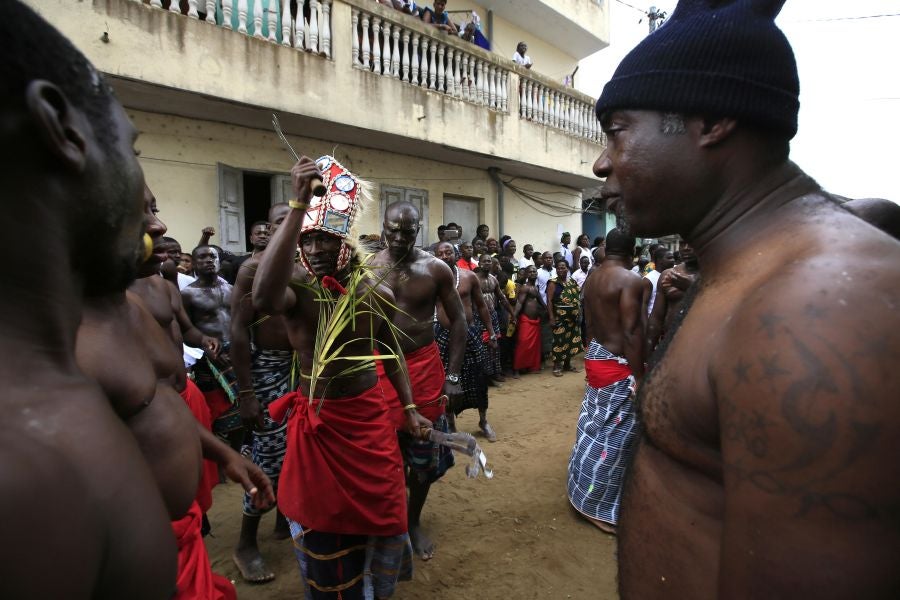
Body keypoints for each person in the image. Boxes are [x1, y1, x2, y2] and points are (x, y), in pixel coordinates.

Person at [594, 0, 900, 596]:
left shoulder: (814, 314)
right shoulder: (742, 268)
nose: (604, 161)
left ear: (710, 120)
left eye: (618, 130)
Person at [0, 4, 179, 595]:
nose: (150, 214)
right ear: (64, 129)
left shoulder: (45, 396)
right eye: (131, 147)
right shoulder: (22, 474)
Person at [81, 185, 274, 600]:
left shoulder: (126, 306)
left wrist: (223, 453)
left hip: (179, 541)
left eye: (154, 208)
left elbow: (157, 398)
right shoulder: (54, 335)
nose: (160, 226)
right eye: (137, 213)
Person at [253, 155, 430, 599]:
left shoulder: (376, 292)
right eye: (306, 242)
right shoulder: (298, 290)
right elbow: (263, 296)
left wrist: (408, 409)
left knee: (385, 511)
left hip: (368, 421)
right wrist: (297, 207)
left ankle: (374, 587)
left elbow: (391, 356)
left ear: (345, 243)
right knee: (322, 521)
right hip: (321, 424)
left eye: (325, 241)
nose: (314, 251)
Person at [371, 201, 467, 561]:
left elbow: (458, 320)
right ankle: (389, 522)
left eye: (407, 231)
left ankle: (413, 521)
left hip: (424, 369)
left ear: (419, 230)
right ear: (383, 227)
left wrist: (453, 376)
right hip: (378, 368)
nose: (398, 237)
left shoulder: (435, 269)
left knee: (424, 458)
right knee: (382, 454)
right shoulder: (366, 268)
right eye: (392, 229)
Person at [229, 203, 294, 584]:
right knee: (269, 456)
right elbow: (238, 331)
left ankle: (286, 518)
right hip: (266, 368)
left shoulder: (309, 267)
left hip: (303, 368)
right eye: (280, 223)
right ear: (268, 230)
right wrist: (247, 393)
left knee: (300, 446)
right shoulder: (253, 270)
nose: (289, 229)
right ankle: (246, 542)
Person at [567, 228, 646, 535]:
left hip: (597, 354)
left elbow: (588, 318)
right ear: (632, 252)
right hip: (616, 362)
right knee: (614, 436)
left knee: (595, 425)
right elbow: (631, 332)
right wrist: (640, 376)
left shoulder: (593, 277)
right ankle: (594, 505)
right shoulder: (631, 280)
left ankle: (582, 491)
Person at [434, 242, 498, 441]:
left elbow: (481, 306)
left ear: (456, 254)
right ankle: (451, 425)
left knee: (479, 378)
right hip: (444, 335)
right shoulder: (431, 279)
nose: (445, 256)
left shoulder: (469, 277)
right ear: (435, 256)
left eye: (448, 252)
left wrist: (491, 332)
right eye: (440, 253)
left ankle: (483, 421)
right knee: (447, 380)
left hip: (470, 334)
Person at [182, 245, 242, 445]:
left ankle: (237, 454)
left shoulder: (231, 289)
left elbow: (239, 323)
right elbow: (185, 331)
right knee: (216, 410)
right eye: (203, 257)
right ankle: (220, 463)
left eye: (212, 256)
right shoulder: (188, 294)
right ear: (194, 263)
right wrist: (207, 350)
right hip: (208, 359)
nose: (209, 260)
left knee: (241, 409)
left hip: (235, 354)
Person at [646, 243, 699, 356]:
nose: (686, 248)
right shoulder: (668, 274)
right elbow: (656, 317)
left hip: (701, 344)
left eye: (691, 243)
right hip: (670, 344)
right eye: (682, 244)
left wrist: (693, 287)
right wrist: (648, 351)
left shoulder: (716, 273)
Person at [475, 253, 514, 385]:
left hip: (493, 315)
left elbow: (502, 298)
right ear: (479, 263)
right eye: (484, 261)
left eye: (489, 261)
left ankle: (495, 373)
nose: (487, 263)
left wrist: (512, 313)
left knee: (495, 345)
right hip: (477, 317)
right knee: (482, 347)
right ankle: (485, 376)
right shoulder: (473, 279)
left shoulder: (493, 279)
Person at [546, 258, 582, 376]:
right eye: (558, 268)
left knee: (571, 341)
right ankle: (557, 366)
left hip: (573, 319)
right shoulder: (553, 283)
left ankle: (567, 364)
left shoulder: (572, 282)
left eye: (563, 267)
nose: (560, 270)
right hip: (559, 318)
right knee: (559, 341)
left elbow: (577, 297)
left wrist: (578, 313)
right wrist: (551, 317)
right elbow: (549, 301)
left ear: (568, 268)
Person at [512, 265, 545, 376]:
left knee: (533, 346)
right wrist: (514, 316)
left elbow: (542, 303)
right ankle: (516, 369)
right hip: (526, 321)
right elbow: (519, 303)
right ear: (526, 274)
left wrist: (550, 313)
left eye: (534, 271)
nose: (533, 273)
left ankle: (528, 366)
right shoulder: (525, 288)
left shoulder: (535, 288)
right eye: (530, 272)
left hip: (535, 321)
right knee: (523, 344)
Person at [644, 245, 675, 317]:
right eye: (669, 258)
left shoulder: (676, 275)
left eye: (673, 257)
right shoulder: (648, 279)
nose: (673, 260)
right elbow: (643, 304)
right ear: (659, 260)